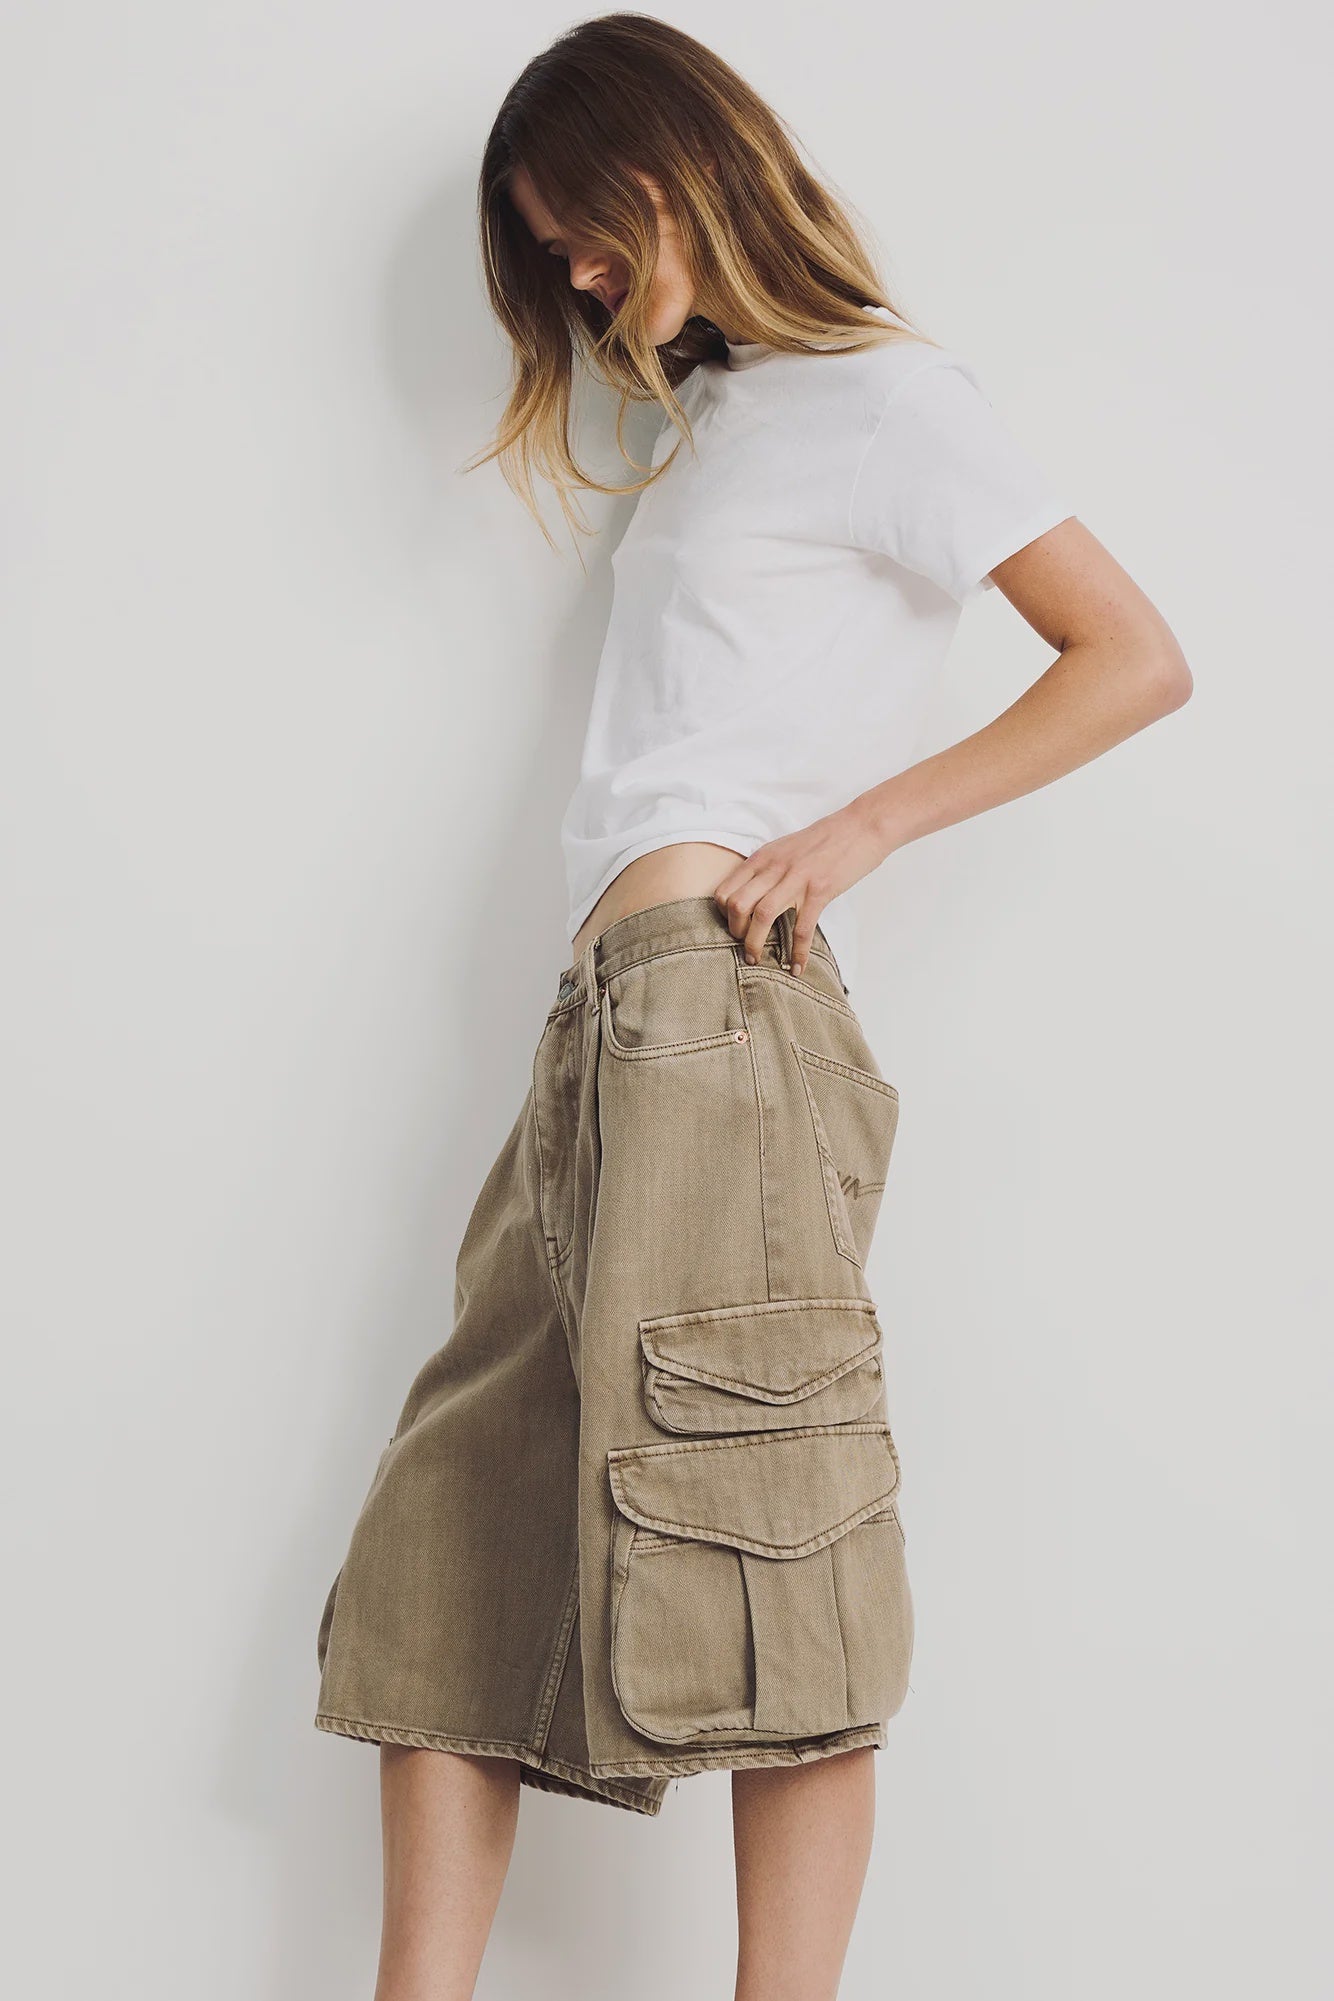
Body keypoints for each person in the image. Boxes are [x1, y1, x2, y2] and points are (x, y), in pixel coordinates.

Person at [314, 15, 1192, 1998]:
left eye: (590, 243)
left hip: (724, 1017)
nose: (584, 289)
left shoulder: (888, 396)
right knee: (456, 1536)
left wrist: (868, 821)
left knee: (763, 1520)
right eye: (559, 267)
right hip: (607, 1034)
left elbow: (1129, 655)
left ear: (677, 165)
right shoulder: (737, 424)